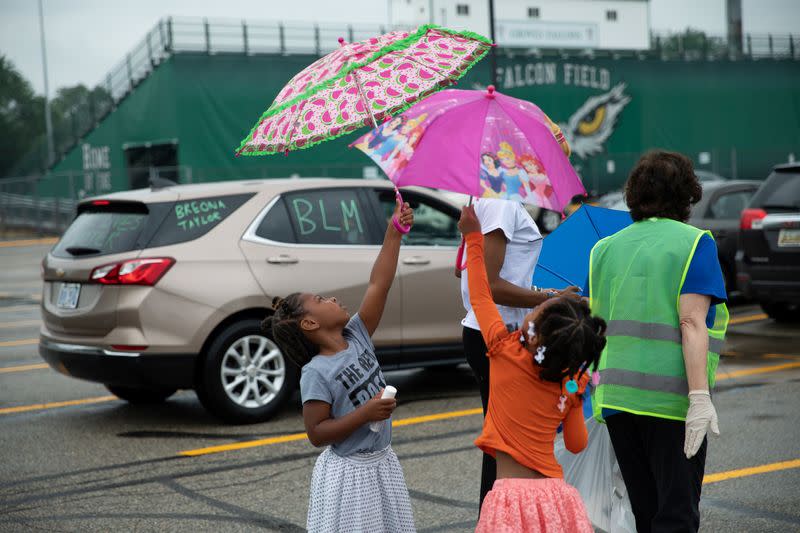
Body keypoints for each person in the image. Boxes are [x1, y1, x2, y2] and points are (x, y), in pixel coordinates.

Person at [589, 150, 729, 533]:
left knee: (645, 512)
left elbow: (596, 324)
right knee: (676, 515)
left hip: (617, 401)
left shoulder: (603, 250)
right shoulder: (694, 243)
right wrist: (700, 399)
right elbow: (691, 322)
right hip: (672, 405)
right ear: (686, 195)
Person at [263, 200, 416, 533]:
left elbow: (380, 284)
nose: (331, 299)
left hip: (381, 462)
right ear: (309, 324)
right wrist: (366, 413)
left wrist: (394, 232)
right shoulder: (316, 372)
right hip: (351, 475)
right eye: (321, 301)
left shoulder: (357, 334)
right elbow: (317, 433)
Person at [458, 204, 604, 532]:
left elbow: (481, 297)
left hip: (509, 501)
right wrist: (574, 391)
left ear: (531, 332)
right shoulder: (571, 382)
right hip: (556, 498)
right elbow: (577, 444)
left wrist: (472, 240)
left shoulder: (502, 353)